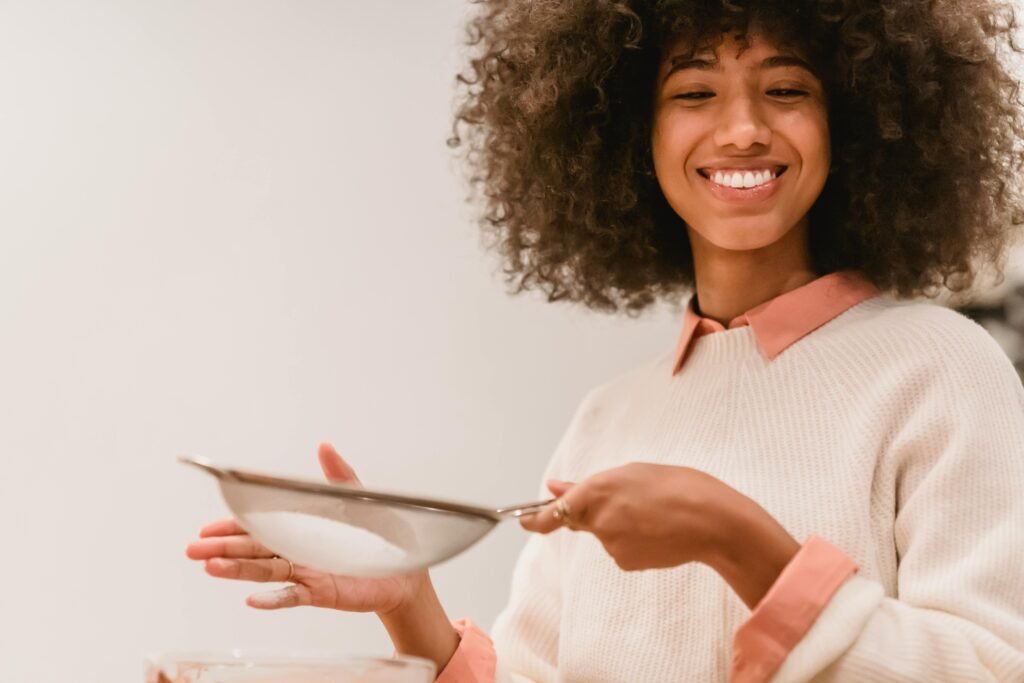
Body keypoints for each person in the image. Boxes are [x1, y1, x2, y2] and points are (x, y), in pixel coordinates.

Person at [186, 1, 1024, 680]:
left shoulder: (940, 368)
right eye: (695, 93)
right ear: (632, 134)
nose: (741, 130)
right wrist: (412, 607)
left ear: (856, 120)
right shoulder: (610, 417)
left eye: (787, 90)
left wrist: (739, 540)